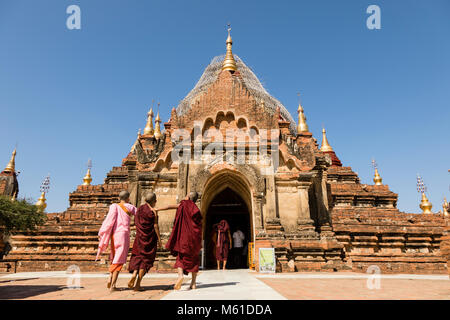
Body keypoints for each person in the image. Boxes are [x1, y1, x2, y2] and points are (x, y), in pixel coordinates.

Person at [158, 192, 202, 290]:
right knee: (194, 260)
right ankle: (193, 283)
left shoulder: (184, 204)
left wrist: (158, 209)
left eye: (186, 195)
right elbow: (199, 224)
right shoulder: (196, 209)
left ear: (188, 197)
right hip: (194, 238)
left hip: (184, 237)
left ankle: (180, 276)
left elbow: (170, 206)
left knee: (181, 258)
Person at [96, 190, 136, 291]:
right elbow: (141, 214)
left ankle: (110, 278)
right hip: (123, 234)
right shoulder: (130, 207)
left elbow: (108, 221)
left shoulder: (114, 206)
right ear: (128, 198)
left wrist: (102, 232)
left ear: (119, 198)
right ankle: (113, 285)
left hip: (114, 235)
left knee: (114, 257)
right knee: (120, 259)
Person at [128, 192, 162, 291]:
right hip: (149, 239)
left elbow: (135, 222)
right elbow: (155, 226)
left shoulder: (139, 209)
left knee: (137, 257)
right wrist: (159, 239)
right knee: (145, 260)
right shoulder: (153, 212)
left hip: (139, 238)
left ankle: (134, 274)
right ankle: (138, 284)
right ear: (154, 201)